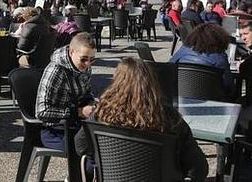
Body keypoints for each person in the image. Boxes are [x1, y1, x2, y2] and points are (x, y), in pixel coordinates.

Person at [74, 57, 208, 182]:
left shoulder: (101, 113)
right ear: (152, 83)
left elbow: (80, 146)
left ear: (116, 83)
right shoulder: (168, 117)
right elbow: (198, 169)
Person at [36, 32, 97, 151]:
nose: (88, 64)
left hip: (76, 124)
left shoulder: (84, 67)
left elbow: (86, 94)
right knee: (94, 149)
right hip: (55, 130)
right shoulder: (56, 71)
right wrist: (78, 112)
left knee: (107, 140)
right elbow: (42, 112)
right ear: (71, 52)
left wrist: (91, 103)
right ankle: (88, 169)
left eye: (92, 60)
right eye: (84, 59)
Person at [170, 23, 234, 94]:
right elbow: (229, 86)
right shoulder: (220, 58)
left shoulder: (182, 50)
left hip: (179, 98)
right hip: (212, 101)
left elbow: (168, 69)